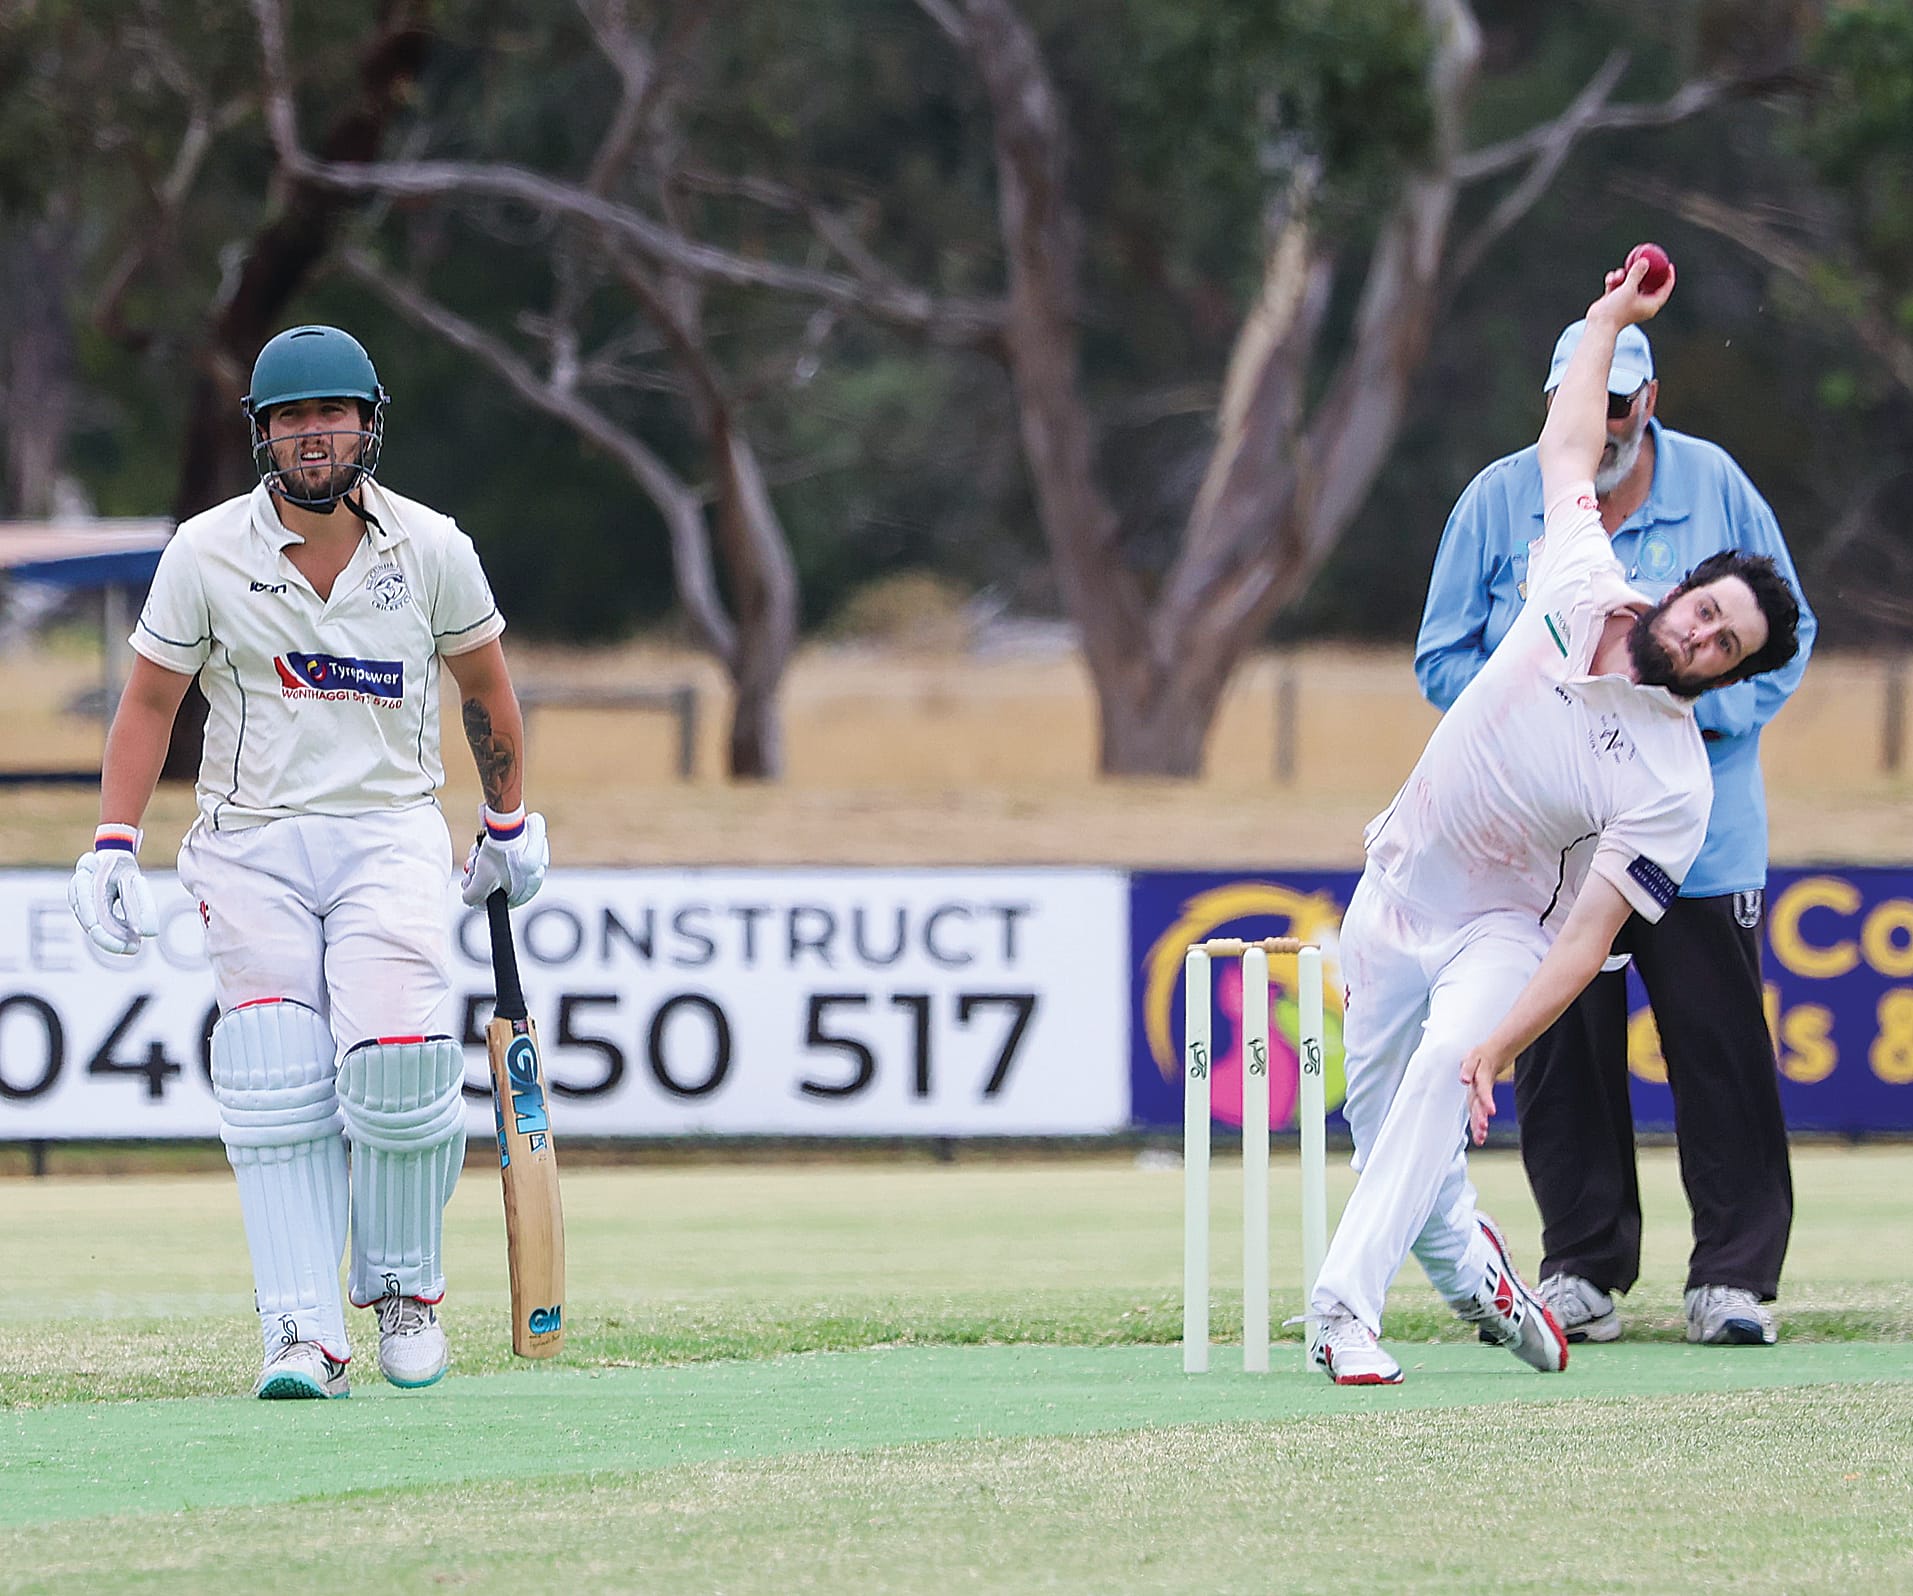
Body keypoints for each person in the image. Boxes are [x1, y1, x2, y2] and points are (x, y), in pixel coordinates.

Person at [1306, 258, 1802, 1385]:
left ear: (1730, 674)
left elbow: (1583, 944)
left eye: (1728, 646)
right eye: (1706, 615)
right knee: (1383, 1130)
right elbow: (1568, 445)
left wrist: (1495, 1047)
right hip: (1396, 883)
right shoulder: (1579, 574)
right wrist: (1605, 317)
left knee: (1444, 1076)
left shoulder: (1676, 788)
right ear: (1677, 593)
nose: (1704, 640)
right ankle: (1479, 1269)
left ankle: (1342, 1313)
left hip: (1501, 923)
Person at [68, 324, 550, 1400]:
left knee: (400, 1067)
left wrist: (509, 823)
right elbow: (150, 700)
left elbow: (484, 689)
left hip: (390, 830)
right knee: (274, 1073)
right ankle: (301, 1332)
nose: (314, 435)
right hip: (251, 841)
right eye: (292, 418)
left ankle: (404, 1291)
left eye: (333, 414)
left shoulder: (431, 548)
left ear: (369, 425)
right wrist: (113, 840)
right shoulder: (204, 551)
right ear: (262, 435)